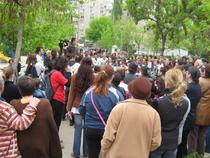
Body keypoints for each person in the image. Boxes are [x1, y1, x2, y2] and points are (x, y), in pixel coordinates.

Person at [100, 77, 161, 158]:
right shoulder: (153, 114)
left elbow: (108, 137)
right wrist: (142, 148)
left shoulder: (119, 108)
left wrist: (103, 152)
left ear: (131, 91)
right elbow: (156, 142)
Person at [10, 76, 62, 158]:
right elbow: (52, 128)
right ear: (34, 88)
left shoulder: (14, 104)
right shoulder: (44, 103)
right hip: (42, 147)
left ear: (19, 90)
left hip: (22, 147)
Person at [79, 65, 124, 158]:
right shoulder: (117, 95)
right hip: (108, 130)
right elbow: (122, 114)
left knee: (92, 154)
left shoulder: (89, 92)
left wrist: (88, 118)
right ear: (112, 77)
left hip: (90, 128)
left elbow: (82, 109)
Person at [150, 69, 190, 158]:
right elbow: (181, 123)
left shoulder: (158, 102)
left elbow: (152, 124)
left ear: (167, 83)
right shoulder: (186, 102)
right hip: (173, 141)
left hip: (158, 142)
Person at [0, 75, 40, 158]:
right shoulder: (4, 108)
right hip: (5, 153)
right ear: (1, 88)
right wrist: (32, 106)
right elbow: (21, 124)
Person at [67, 57, 94, 158]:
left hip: (76, 107)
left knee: (77, 130)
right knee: (87, 130)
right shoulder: (93, 78)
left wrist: (68, 108)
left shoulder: (75, 77)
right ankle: (86, 152)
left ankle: (76, 153)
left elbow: (71, 94)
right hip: (88, 107)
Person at [177, 66, 201, 158]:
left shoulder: (189, 88)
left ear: (189, 75)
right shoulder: (197, 86)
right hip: (192, 115)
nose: (185, 73)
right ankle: (184, 155)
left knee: (181, 141)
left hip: (186, 116)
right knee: (184, 140)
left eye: (187, 72)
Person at [188, 63, 210, 155]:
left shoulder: (200, 81)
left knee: (193, 135)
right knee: (202, 136)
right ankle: (201, 154)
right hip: (207, 113)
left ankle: (191, 155)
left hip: (198, 111)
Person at [50, 56, 70, 130]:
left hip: (56, 98)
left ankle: (54, 139)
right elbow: (68, 83)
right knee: (56, 121)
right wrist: (68, 72)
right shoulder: (57, 74)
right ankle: (54, 140)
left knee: (55, 120)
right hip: (57, 98)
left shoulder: (55, 72)